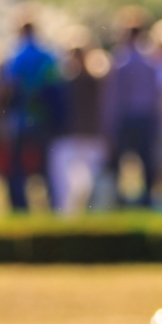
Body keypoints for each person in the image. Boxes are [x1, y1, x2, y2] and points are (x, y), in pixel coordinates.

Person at [1, 17, 64, 210]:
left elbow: (10, 88)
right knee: (46, 166)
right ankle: (52, 204)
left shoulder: (15, 56)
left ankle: (20, 206)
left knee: (17, 167)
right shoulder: (49, 56)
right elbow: (57, 88)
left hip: (21, 120)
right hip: (44, 119)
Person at [101, 11, 161, 206]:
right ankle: (146, 200)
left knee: (119, 163)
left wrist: (109, 125)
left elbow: (114, 98)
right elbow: (156, 93)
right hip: (146, 117)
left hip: (126, 118)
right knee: (146, 162)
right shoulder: (150, 60)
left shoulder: (120, 60)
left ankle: (119, 201)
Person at [48, 42, 106, 214]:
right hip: (73, 138)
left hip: (86, 138)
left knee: (88, 188)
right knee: (67, 190)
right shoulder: (65, 82)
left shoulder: (92, 81)